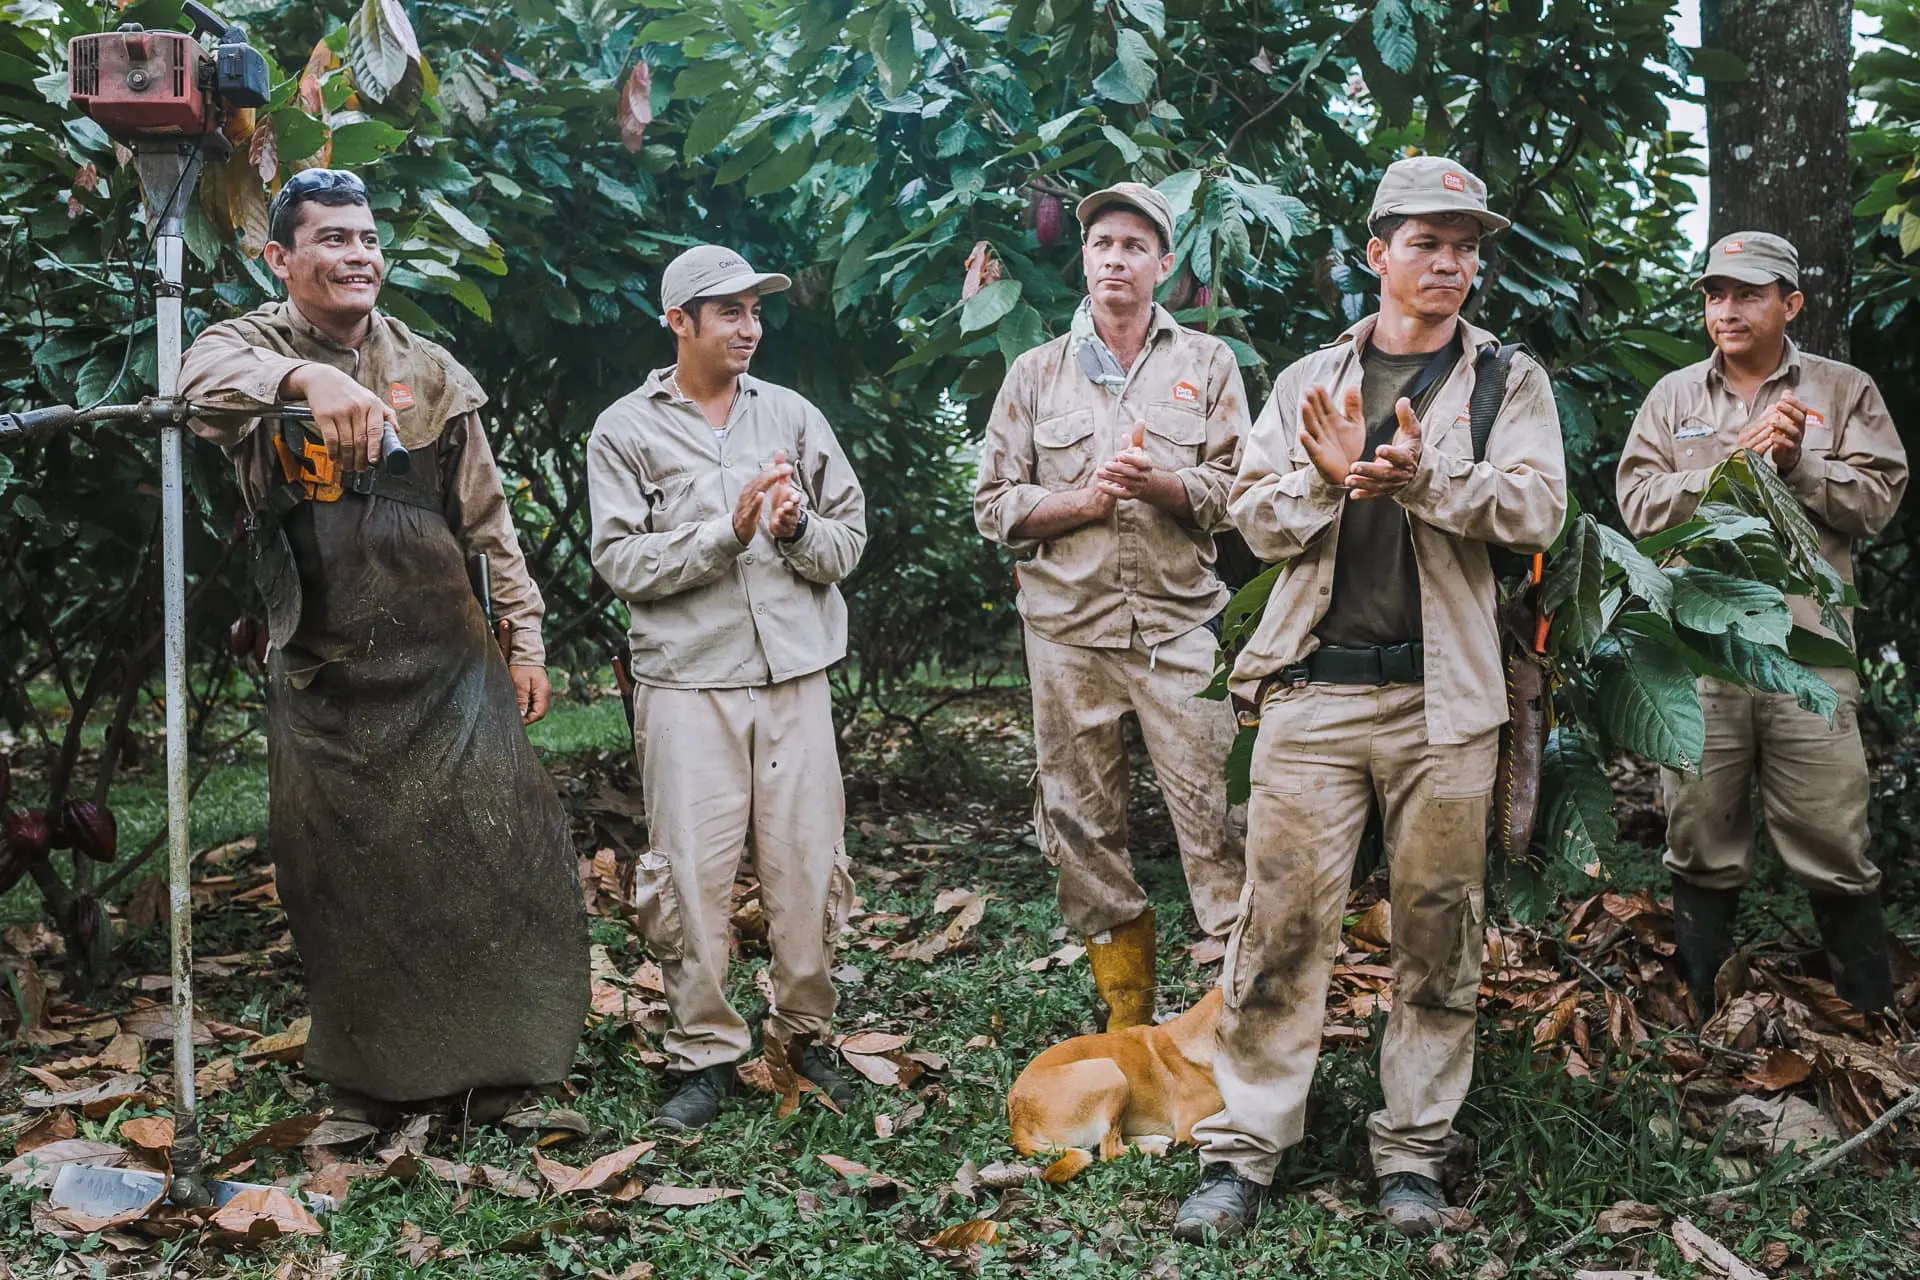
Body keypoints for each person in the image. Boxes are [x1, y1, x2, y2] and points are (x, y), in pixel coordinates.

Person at [1174, 157, 1567, 1241]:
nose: (1451, 262)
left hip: (1447, 701)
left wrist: (1418, 476)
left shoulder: (1505, 383)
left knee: (1440, 931)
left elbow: (1537, 507)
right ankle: (1244, 1147)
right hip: (1315, 693)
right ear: (1375, 253)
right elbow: (1252, 519)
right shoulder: (1313, 378)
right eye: (1428, 241)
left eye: (1466, 244)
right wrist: (1332, 477)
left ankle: (1412, 1153)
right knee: (1281, 928)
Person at [180, 168, 589, 1125]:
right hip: (324, 667)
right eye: (332, 239)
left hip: (449, 660)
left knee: (494, 858)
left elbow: (487, 523)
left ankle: (512, 1077)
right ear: (280, 258)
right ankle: (366, 1090)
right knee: (338, 875)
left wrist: (523, 641)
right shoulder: (245, 348)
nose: (358, 255)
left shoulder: (430, 368)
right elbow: (193, 383)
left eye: (367, 239)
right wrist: (307, 378)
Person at [588, 245, 868, 1130]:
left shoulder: (790, 415)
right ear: (680, 322)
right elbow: (620, 561)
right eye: (729, 313)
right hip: (687, 684)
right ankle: (705, 1053)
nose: (750, 328)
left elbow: (848, 539)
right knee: (692, 879)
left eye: (755, 311)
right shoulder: (624, 430)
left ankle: (806, 1036)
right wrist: (727, 529)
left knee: (807, 865)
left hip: (795, 677)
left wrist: (792, 531)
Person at [973, 182, 1249, 1032]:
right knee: (1083, 833)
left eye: (1134, 246)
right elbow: (994, 506)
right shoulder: (1034, 373)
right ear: (1083, 260)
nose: (1116, 259)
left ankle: (1232, 1028)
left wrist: (1164, 486)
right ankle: (1128, 1024)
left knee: (1222, 822)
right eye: (1101, 245)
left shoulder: (1207, 366)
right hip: (1067, 635)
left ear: (1164, 266)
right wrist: (1083, 505)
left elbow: (1243, 488)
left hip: (1179, 627)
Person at [1616, 231, 1908, 1018]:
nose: (1728, 310)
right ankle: (1705, 1015)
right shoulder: (1675, 397)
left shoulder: (1843, 390)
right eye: (1716, 294)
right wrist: (1731, 469)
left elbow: (1879, 499)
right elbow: (1639, 504)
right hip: (1701, 653)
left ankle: (1869, 1018)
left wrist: (1797, 467)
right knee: (1699, 831)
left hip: (1808, 650)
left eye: (1748, 293)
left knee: (1834, 834)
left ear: (1791, 303)